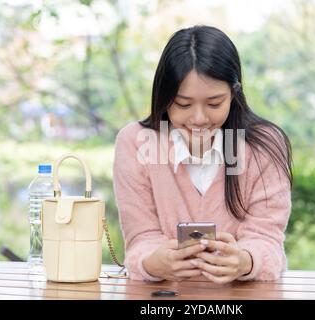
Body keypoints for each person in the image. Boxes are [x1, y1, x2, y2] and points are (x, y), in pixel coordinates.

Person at [113, 25, 292, 284]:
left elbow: (266, 240)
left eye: (214, 103)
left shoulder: (264, 145)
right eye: (183, 104)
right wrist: (154, 263)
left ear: (234, 92)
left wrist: (245, 261)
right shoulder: (135, 143)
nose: (199, 118)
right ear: (164, 97)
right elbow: (141, 238)